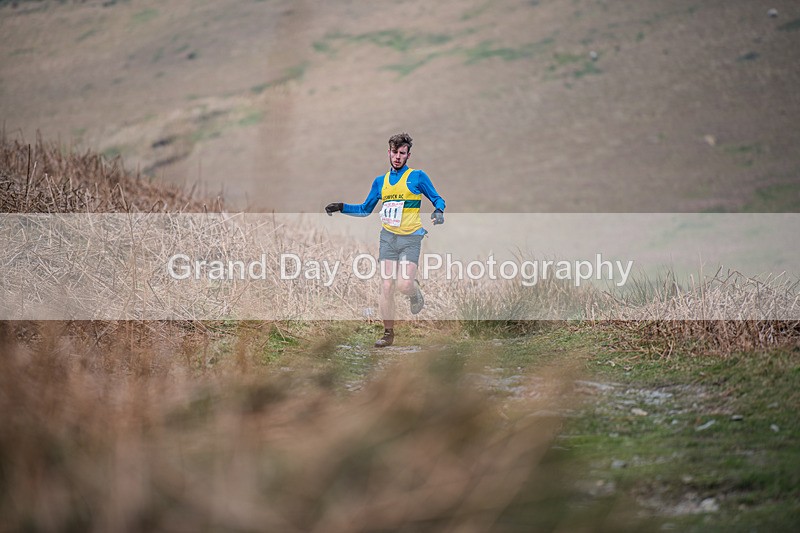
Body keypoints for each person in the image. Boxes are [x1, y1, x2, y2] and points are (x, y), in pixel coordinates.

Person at [326, 133, 446, 347]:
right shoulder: (380, 182)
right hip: (388, 239)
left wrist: (438, 211)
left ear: (408, 155)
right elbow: (365, 209)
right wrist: (341, 207)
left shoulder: (417, 177)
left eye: (402, 153)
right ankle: (388, 334)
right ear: (389, 153)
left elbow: (438, 198)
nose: (398, 157)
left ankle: (414, 291)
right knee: (387, 286)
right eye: (394, 152)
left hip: (410, 238)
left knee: (404, 284)